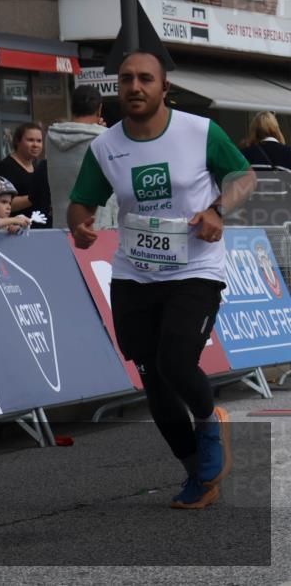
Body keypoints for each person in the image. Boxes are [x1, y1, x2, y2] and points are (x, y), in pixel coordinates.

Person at [67, 45, 256, 510]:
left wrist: (218, 210)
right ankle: (197, 474)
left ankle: (210, 417)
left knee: (175, 361)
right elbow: (81, 201)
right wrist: (80, 223)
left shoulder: (200, 132)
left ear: (164, 87)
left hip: (195, 268)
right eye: (127, 79)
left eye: (145, 79)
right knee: (152, 378)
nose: (134, 86)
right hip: (134, 272)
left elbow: (243, 176)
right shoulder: (105, 145)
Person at [46, 85, 118, 229]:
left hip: (60, 224)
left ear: (72, 107)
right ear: (99, 109)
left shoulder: (51, 136)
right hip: (95, 227)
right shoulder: (106, 138)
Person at [0, 122, 52, 229]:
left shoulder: (38, 166)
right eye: (30, 140)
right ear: (17, 142)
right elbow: (1, 204)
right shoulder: (5, 168)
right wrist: (33, 198)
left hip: (42, 230)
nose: (35, 145)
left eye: (39, 141)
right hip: (17, 232)